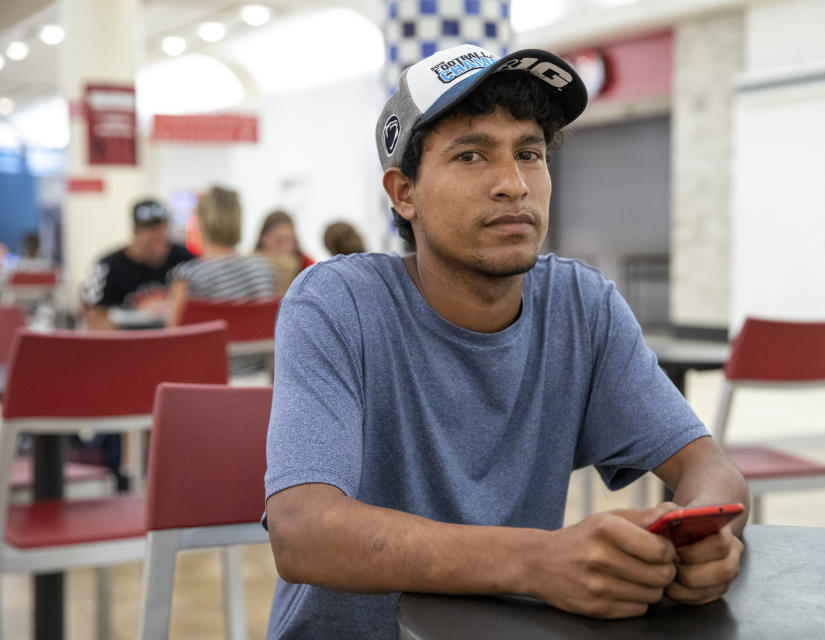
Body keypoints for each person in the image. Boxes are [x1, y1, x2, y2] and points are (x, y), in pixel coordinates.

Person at [264, 44, 748, 639]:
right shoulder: (337, 304)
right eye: (471, 155)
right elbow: (303, 532)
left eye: (529, 153)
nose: (513, 184)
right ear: (403, 192)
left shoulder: (583, 306)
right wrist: (537, 561)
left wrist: (700, 535)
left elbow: (708, 464)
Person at [167, 186, 278, 374]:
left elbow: (173, 340)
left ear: (201, 223)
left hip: (208, 380)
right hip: (259, 381)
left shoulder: (188, 275)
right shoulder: (263, 268)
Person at [82, 199, 193, 330]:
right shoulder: (107, 266)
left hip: (174, 342)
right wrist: (139, 314)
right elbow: (93, 322)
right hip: (126, 345)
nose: (158, 235)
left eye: (162, 229)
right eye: (151, 231)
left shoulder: (185, 259)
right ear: (135, 232)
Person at [254, 210, 314, 294]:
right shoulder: (249, 267)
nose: (284, 247)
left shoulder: (308, 266)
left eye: (288, 240)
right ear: (263, 239)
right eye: (278, 241)